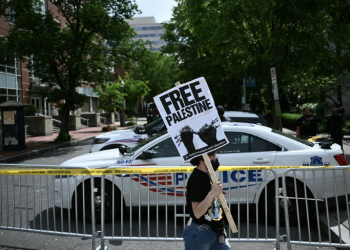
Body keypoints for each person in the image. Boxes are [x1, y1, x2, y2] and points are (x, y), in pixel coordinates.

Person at [183, 150, 231, 250]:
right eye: (212, 156)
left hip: (218, 231)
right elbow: (197, 212)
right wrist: (212, 193)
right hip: (201, 232)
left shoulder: (209, 174)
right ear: (202, 160)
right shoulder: (196, 178)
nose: (215, 158)